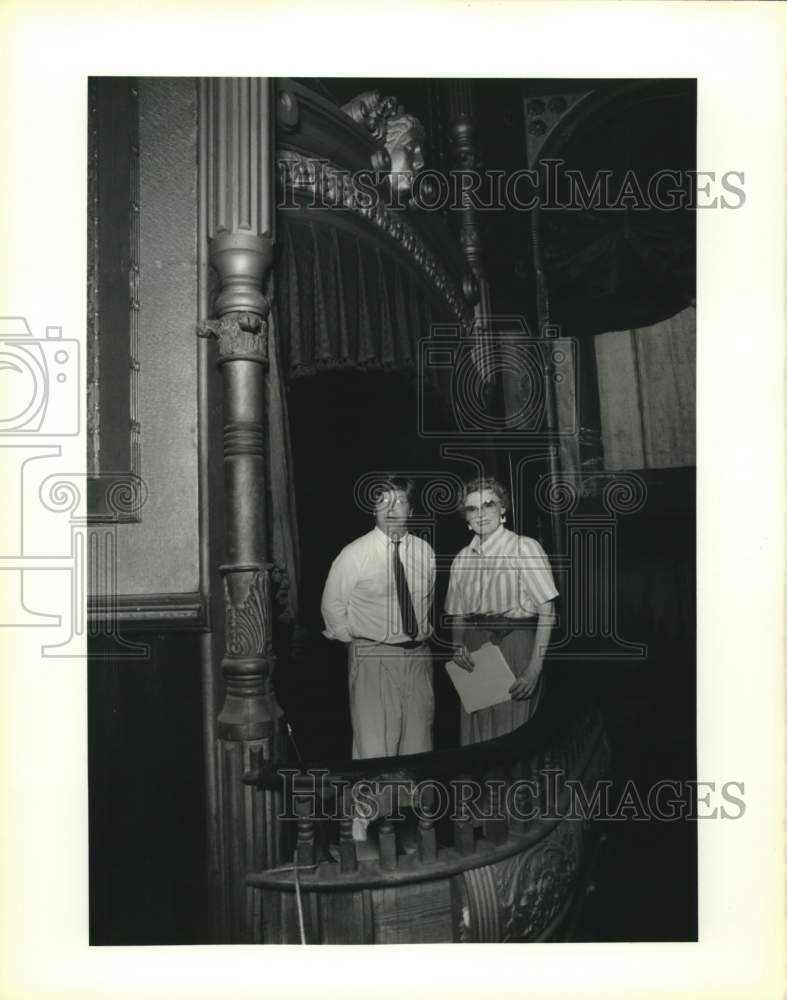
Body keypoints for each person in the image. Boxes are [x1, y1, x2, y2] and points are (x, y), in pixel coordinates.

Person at [321, 475, 436, 761]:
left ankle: (411, 807)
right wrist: (361, 644)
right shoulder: (354, 554)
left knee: (419, 744)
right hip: (373, 657)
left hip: (418, 658)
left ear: (411, 511)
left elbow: (427, 603)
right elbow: (332, 608)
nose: (391, 510)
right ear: (374, 509)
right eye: (383, 502)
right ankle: (377, 808)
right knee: (375, 748)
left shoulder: (425, 553)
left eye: (399, 502)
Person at [445, 476, 558, 745]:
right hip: (475, 654)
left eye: (489, 504)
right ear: (466, 517)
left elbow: (548, 610)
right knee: (478, 740)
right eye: (472, 508)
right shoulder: (462, 558)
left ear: (503, 509)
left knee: (513, 738)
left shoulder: (524, 548)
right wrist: (457, 645)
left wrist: (534, 668)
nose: (481, 513)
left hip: (515, 645)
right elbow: (458, 613)